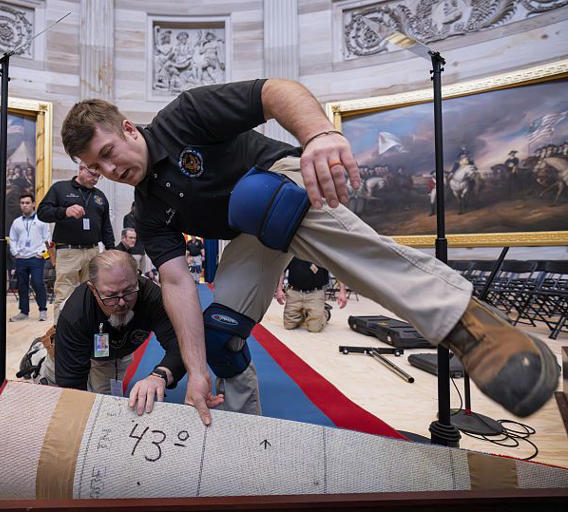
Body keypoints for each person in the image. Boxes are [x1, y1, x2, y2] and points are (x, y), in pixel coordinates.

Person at [61, 79, 559, 425]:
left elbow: (274, 92)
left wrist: (319, 134)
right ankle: (243, 428)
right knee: (217, 339)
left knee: (261, 203)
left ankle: (468, 324)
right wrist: (193, 371)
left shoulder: (184, 117)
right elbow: (176, 284)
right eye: (95, 167)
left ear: (128, 129)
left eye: (108, 153)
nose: (108, 170)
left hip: (280, 187)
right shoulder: (148, 210)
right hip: (249, 235)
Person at [49, 250, 186, 414]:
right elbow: (71, 383)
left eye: (128, 291)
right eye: (111, 295)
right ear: (93, 289)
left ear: (137, 276)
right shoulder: (75, 314)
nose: (122, 303)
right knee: (60, 397)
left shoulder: (151, 296)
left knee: (110, 407)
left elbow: (182, 344)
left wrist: (160, 376)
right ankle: (39, 359)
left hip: (116, 356)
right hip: (75, 346)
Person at [37, 163, 115, 324]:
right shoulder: (60, 188)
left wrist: (111, 249)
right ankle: (61, 336)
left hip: (93, 251)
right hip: (68, 252)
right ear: (81, 169)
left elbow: (106, 226)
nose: (96, 179)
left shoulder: (99, 196)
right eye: (93, 174)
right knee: (64, 295)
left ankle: (86, 333)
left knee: (92, 295)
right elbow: (42, 213)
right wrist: (64, 211)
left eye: (98, 176)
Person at [9, 193, 51, 322]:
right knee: (22, 285)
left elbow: (47, 238)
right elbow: (12, 239)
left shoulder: (42, 220)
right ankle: (24, 312)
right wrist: (15, 252)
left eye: (27, 203)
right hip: (21, 258)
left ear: (33, 204)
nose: (24, 205)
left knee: (37, 282)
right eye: (22, 203)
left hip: (36, 257)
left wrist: (41, 253)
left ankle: (42, 310)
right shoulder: (16, 222)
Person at [274, 259, 346, 333]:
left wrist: (342, 292)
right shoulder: (293, 250)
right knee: (288, 326)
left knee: (314, 329)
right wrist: (279, 289)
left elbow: (337, 271)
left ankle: (325, 312)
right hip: (294, 293)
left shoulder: (324, 251)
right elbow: (282, 270)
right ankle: (305, 312)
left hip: (315, 293)